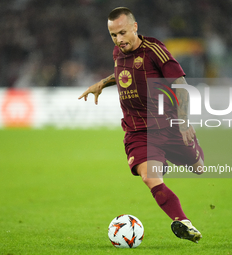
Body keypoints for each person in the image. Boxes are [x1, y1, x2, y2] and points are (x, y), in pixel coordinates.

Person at [79, 7, 204, 243]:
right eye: (113, 35)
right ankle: (183, 222)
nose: (119, 40)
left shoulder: (155, 51)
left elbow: (179, 83)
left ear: (135, 27)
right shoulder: (118, 52)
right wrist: (102, 83)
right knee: (149, 176)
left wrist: (184, 121)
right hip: (137, 131)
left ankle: (192, 151)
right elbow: (123, 74)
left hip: (168, 125)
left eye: (123, 33)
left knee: (198, 167)